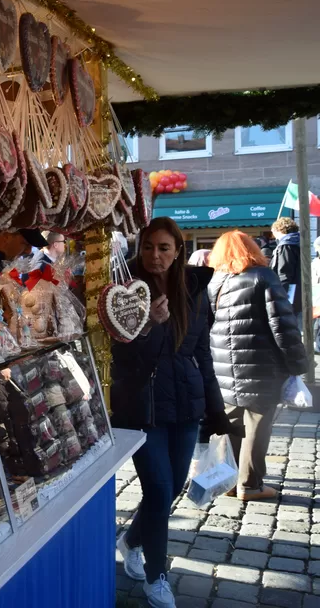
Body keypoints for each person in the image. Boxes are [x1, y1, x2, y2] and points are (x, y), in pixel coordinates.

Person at [111, 217, 232, 608]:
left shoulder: (194, 289)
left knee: (173, 486)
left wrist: (216, 411)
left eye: (164, 248)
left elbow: (202, 354)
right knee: (159, 490)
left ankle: (131, 540)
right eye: (148, 247)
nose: (155, 255)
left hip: (185, 405)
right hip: (142, 407)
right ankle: (157, 576)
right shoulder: (125, 291)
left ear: (178, 251)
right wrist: (149, 325)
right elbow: (124, 359)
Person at [208, 231, 309, 501]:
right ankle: (250, 485)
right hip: (261, 367)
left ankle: (228, 481)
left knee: (231, 425)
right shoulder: (263, 277)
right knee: (256, 425)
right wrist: (298, 363)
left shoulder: (215, 281)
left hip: (223, 368)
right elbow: (284, 326)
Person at [270, 217, 302, 325]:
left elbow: (284, 273)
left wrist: (280, 295)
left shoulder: (286, 245)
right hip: (298, 291)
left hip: (289, 292)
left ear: (278, 230)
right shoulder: (298, 242)